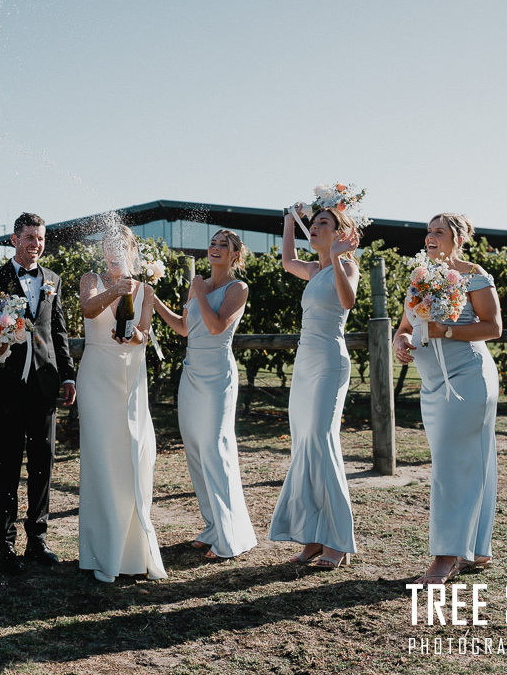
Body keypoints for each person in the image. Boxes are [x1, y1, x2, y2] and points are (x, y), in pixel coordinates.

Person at [393, 213, 501, 585]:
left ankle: (445, 557)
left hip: (468, 378)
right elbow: (406, 326)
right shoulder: (420, 276)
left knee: (450, 466)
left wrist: (447, 331)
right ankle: (477, 548)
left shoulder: (474, 275)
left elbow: (493, 327)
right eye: (428, 231)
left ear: (458, 238)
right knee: (467, 461)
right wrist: (400, 341)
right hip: (432, 384)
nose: (430, 237)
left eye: (439, 231)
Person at [0, 213, 76, 574]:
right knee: (6, 463)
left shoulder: (52, 279)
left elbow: (58, 331)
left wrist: (68, 376)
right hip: (9, 385)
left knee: (42, 463)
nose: (36, 244)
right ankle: (5, 542)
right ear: (15, 240)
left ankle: (38, 538)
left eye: (41, 238)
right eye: (30, 237)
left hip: (45, 384)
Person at [154, 229, 257, 559]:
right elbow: (185, 328)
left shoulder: (237, 288)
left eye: (223, 245)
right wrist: (154, 301)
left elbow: (216, 327)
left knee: (215, 448)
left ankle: (230, 537)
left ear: (234, 254)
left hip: (217, 377)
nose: (215, 248)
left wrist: (198, 291)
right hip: (191, 374)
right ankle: (213, 525)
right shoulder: (197, 285)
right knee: (196, 450)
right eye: (212, 243)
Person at [268, 206, 360, 569]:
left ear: (339, 234)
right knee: (304, 444)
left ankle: (338, 541)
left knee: (322, 440)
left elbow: (348, 301)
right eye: (315, 221)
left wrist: (336, 258)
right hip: (304, 363)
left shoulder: (346, 266)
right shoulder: (311, 270)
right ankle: (313, 538)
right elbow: (287, 260)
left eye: (324, 223)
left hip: (329, 363)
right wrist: (289, 221)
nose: (316, 226)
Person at [76, 225, 166, 582]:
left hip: (130, 379)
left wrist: (134, 336)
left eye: (119, 246)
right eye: (107, 246)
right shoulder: (92, 280)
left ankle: (132, 553)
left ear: (131, 251)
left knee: (133, 459)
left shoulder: (146, 290)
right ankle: (102, 554)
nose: (113, 252)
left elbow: (144, 332)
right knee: (101, 460)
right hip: (96, 379)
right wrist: (115, 289)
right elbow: (87, 310)